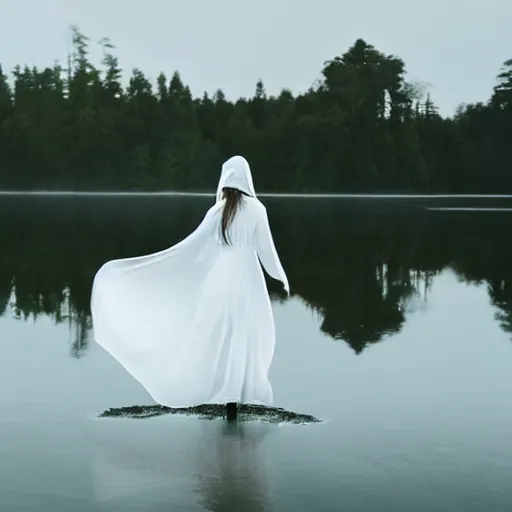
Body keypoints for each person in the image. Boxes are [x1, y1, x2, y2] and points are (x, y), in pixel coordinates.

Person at [90, 155, 289, 414]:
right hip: (247, 280)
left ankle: (226, 394)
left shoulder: (217, 211)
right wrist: (281, 277)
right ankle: (235, 396)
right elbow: (267, 251)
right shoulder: (256, 210)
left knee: (223, 335)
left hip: (221, 280)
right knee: (244, 333)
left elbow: (197, 246)